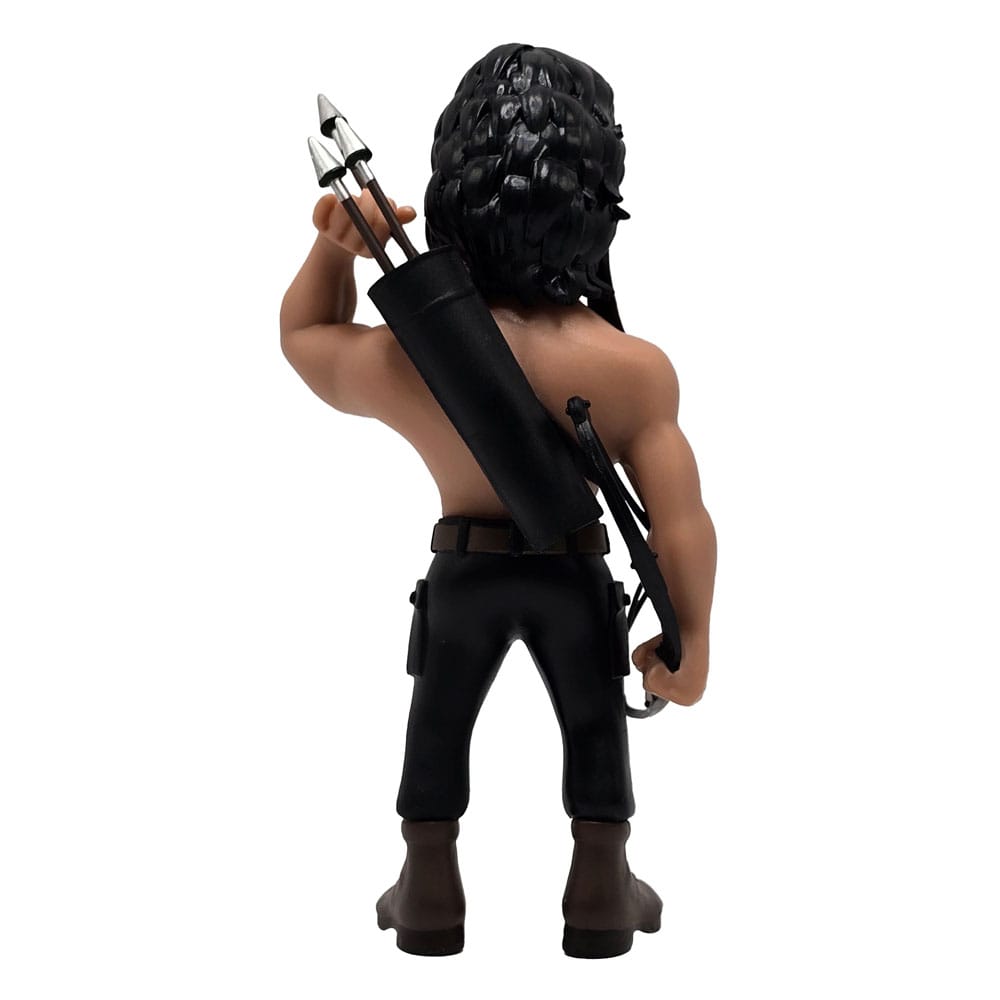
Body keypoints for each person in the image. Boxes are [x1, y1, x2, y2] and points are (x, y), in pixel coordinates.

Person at [280, 43, 716, 959]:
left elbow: (308, 336)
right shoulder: (632, 370)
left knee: (437, 718)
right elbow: (680, 521)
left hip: (463, 568)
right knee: (594, 721)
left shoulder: (409, 356)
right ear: (596, 192)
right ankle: (601, 886)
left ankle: (427, 886)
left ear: (452, 182)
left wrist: (333, 246)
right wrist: (693, 640)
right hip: (572, 572)